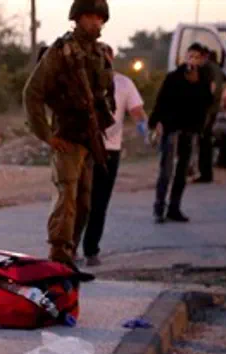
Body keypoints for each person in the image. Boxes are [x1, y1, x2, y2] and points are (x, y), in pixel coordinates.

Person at [23, 0, 115, 268]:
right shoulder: (61, 52)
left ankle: (71, 248)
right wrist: (46, 135)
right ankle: (59, 252)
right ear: (77, 18)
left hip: (90, 137)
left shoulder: (100, 54)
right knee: (67, 197)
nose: (95, 23)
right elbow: (32, 93)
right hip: (67, 136)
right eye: (89, 17)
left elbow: (107, 95)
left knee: (84, 202)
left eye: (99, 18)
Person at [81, 45, 147, 267]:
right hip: (84, 148)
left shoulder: (123, 83)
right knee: (79, 200)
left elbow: (137, 111)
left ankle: (91, 250)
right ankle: (66, 248)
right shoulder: (83, 80)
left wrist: (143, 127)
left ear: (112, 59)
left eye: (105, 58)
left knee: (99, 202)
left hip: (110, 150)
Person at [149, 43, 214, 223]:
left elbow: (207, 103)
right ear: (185, 57)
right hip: (172, 129)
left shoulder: (204, 80)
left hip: (190, 129)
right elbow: (161, 101)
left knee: (182, 171)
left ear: (201, 60)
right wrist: (155, 122)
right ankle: (159, 208)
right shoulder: (173, 77)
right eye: (190, 56)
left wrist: (198, 84)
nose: (192, 60)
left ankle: (174, 208)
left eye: (196, 57)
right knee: (166, 171)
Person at [196, 49, 226, 183]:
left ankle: (205, 174)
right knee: (206, 139)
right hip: (215, 108)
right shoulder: (218, 68)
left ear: (205, 56)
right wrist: (222, 98)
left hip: (205, 109)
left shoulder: (206, 67)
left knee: (203, 141)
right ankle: (206, 173)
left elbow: (211, 85)